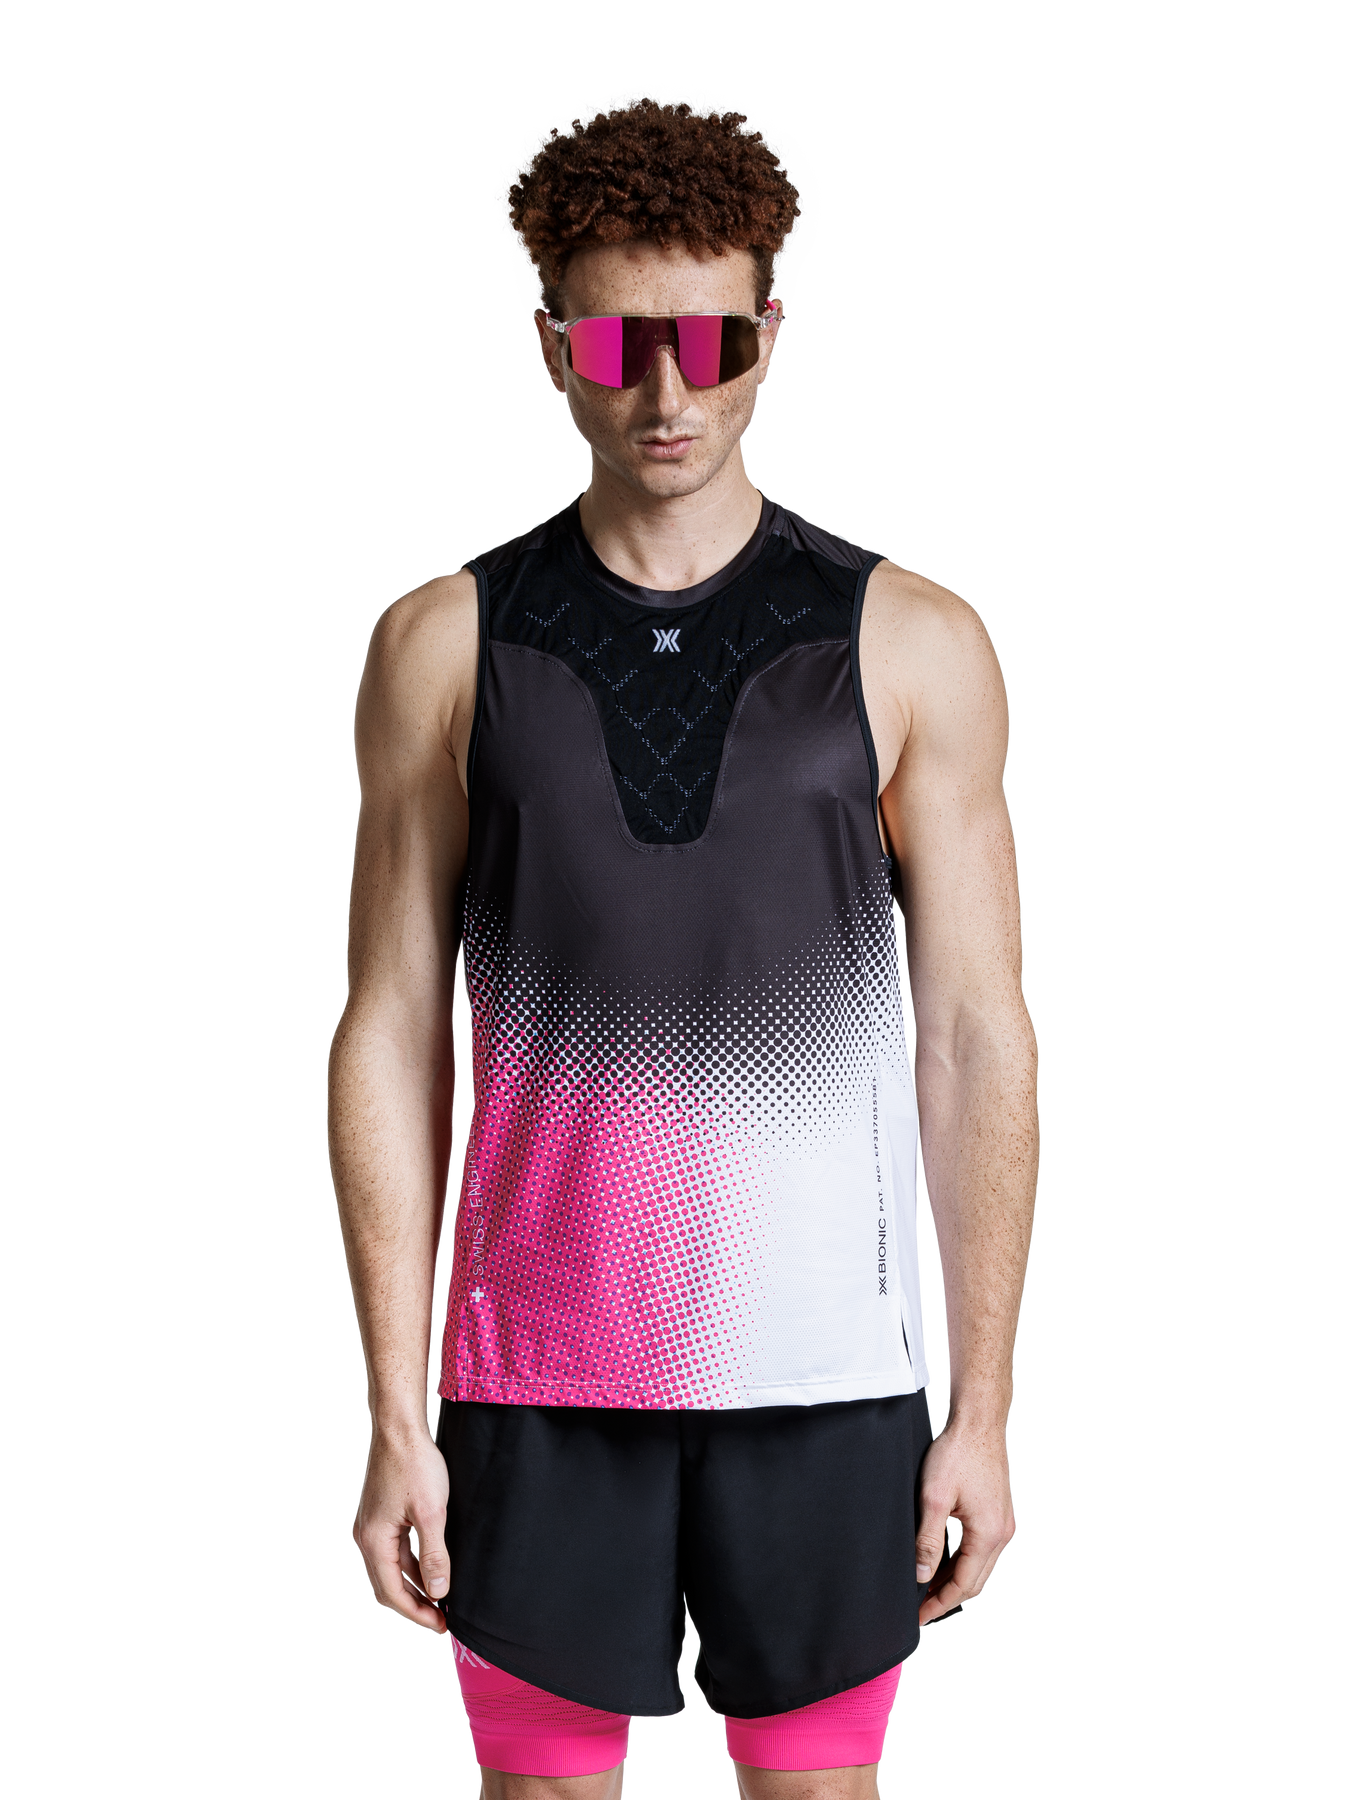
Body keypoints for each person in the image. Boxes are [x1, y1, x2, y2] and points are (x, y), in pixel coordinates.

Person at [327, 82, 1040, 1800]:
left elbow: (973, 1032)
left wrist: (984, 1410)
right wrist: (394, 1415)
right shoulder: (439, 642)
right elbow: (388, 1027)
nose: (666, 391)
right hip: (533, 1373)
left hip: (831, 1370)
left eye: (710, 341)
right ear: (550, 344)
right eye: (616, 341)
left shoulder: (914, 639)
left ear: (768, 332)